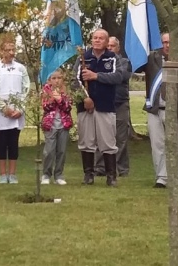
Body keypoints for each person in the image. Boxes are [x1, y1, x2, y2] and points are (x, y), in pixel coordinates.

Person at [141, 33, 178, 189]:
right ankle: (161, 178)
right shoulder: (152, 59)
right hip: (155, 110)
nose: (167, 45)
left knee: (175, 145)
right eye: (164, 42)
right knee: (157, 145)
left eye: (170, 42)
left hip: (176, 111)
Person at [76, 29, 120, 187]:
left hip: (105, 106)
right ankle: (88, 174)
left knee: (108, 142)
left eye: (101, 38)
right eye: (95, 38)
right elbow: (75, 81)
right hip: (86, 107)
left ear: (106, 42)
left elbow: (118, 76)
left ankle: (111, 176)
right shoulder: (83, 58)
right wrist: (85, 98)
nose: (97, 40)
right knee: (86, 141)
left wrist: (96, 76)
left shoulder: (113, 58)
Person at [0, 39, 31, 184]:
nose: (11, 53)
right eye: (8, 50)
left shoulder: (21, 68)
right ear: (1, 51)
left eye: (13, 50)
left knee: (13, 142)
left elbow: (26, 88)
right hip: (1, 112)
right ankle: (2, 173)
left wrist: (20, 108)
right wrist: (4, 108)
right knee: (1, 142)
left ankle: (12, 174)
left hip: (16, 110)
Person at [40, 70, 72, 186]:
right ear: (49, 80)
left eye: (59, 78)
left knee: (61, 151)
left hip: (63, 125)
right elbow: (45, 106)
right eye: (54, 78)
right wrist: (53, 99)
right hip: (50, 125)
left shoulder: (66, 91)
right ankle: (46, 174)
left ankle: (59, 175)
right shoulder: (46, 91)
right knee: (49, 151)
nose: (57, 80)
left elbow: (68, 107)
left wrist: (60, 99)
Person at [109, 36, 132, 176]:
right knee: (104, 137)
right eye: (108, 46)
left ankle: (122, 169)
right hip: (105, 104)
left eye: (112, 46)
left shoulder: (125, 62)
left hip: (121, 103)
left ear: (118, 48)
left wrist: (102, 75)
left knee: (121, 138)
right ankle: (102, 168)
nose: (110, 48)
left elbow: (121, 76)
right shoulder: (102, 61)